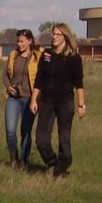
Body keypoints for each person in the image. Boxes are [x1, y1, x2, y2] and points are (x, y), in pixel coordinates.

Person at [30, 22, 86, 178]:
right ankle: (53, 163)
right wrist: (34, 100)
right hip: (46, 101)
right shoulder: (46, 55)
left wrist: (81, 104)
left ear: (65, 37)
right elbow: (39, 80)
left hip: (65, 103)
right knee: (41, 140)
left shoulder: (74, 58)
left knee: (64, 141)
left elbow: (79, 83)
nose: (54, 37)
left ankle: (61, 168)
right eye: (53, 34)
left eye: (58, 34)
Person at [3, 29, 41, 170]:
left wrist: (36, 98)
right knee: (10, 130)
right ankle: (13, 158)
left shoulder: (38, 56)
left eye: (22, 41)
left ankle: (24, 161)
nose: (19, 44)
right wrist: (9, 86)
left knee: (26, 131)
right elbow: (5, 74)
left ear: (30, 41)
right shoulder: (13, 55)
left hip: (30, 99)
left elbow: (42, 77)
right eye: (18, 41)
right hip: (13, 98)